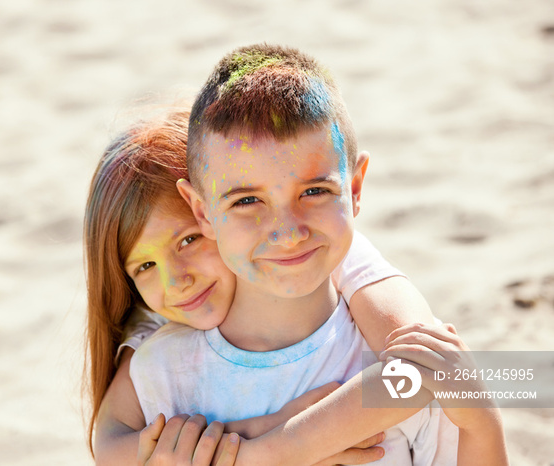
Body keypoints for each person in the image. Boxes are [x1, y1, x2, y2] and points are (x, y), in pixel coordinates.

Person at [128, 44, 507, 465]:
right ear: (202, 211)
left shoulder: (395, 351)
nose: (288, 233)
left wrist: (482, 422)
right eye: (247, 201)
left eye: (314, 192)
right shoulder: (163, 374)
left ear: (356, 188)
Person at [83, 110, 454, 464]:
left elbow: (421, 366)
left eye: (189, 241)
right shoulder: (152, 324)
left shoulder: (317, 254)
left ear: (215, 218)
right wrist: (260, 441)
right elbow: (111, 447)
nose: (175, 280)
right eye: (145, 265)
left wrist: (288, 445)